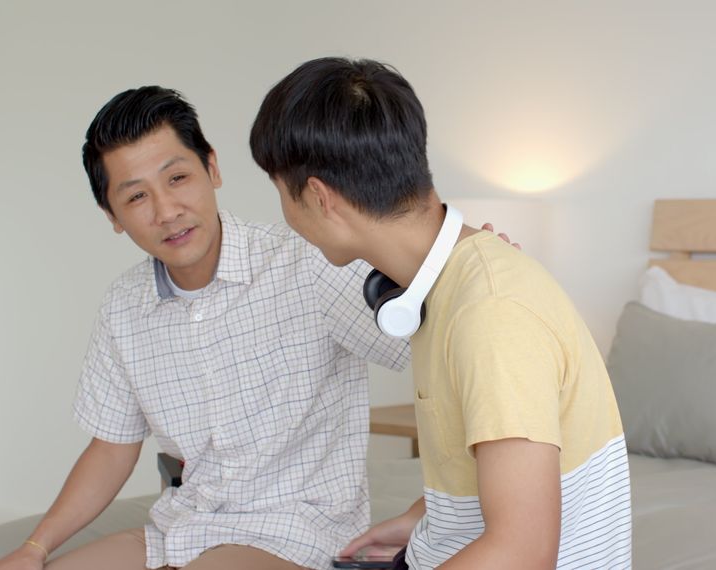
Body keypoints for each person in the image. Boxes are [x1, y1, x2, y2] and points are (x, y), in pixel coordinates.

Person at [0, 86, 416, 570]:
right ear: (112, 216)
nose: (166, 211)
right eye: (136, 197)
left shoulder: (307, 263)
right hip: (183, 526)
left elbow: (438, 343)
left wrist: (468, 270)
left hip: (295, 532)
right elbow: (111, 448)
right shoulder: (124, 307)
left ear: (212, 168)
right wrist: (34, 548)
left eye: (178, 178)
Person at [250, 57, 633, 569]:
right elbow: (501, 471)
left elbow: (521, 553)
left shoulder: (492, 314)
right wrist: (424, 518)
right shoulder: (445, 285)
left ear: (319, 198)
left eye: (281, 192)